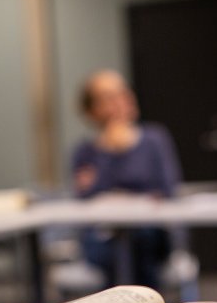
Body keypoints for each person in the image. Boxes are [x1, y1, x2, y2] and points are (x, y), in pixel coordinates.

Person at [71, 69, 181, 290]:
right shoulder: (85, 151)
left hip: (150, 232)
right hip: (103, 237)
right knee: (114, 250)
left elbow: (169, 189)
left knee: (141, 243)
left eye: (123, 93)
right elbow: (85, 197)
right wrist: (108, 151)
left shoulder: (154, 140)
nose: (121, 101)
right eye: (109, 98)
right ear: (92, 110)